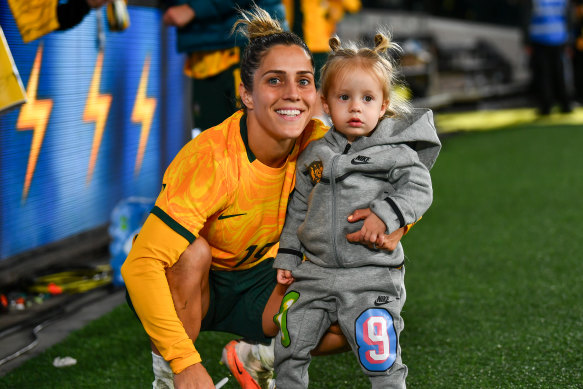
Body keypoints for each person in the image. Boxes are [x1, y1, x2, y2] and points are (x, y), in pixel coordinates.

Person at [121, 6, 408, 389]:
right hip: (192, 280)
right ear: (247, 95)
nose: (292, 94)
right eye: (275, 81)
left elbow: (401, 176)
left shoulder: (320, 144)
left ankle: (254, 358)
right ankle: (168, 382)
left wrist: (395, 223)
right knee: (191, 254)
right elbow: (140, 266)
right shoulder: (212, 160)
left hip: (259, 279)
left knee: (354, 311)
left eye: (303, 81)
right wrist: (184, 363)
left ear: (318, 95)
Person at [272, 32, 441, 388]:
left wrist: (386, 213)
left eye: (367, 98)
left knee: (378, 354)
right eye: (344, 98)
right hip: (313, 274)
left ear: (382, 106)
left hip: (371, 274)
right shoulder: (314, 154)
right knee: (289, 342)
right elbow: (299, 206)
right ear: (325, 103)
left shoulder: (395, 151)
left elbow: (419, 187)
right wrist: (288, 256)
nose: (355, 107)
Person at [161, 0, 286, 135]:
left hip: (243, 41)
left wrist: (194, 8)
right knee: (216, 143)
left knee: (256, 140)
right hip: (211, 45)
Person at [523, 0, 574, 115]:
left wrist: (526, 41)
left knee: (545, 75)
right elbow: (569, 18)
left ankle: (547, 106)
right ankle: (564, 104)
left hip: (541, 40)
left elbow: (526, 19)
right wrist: (569, 41)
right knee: (559, 73)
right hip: (558, 39)